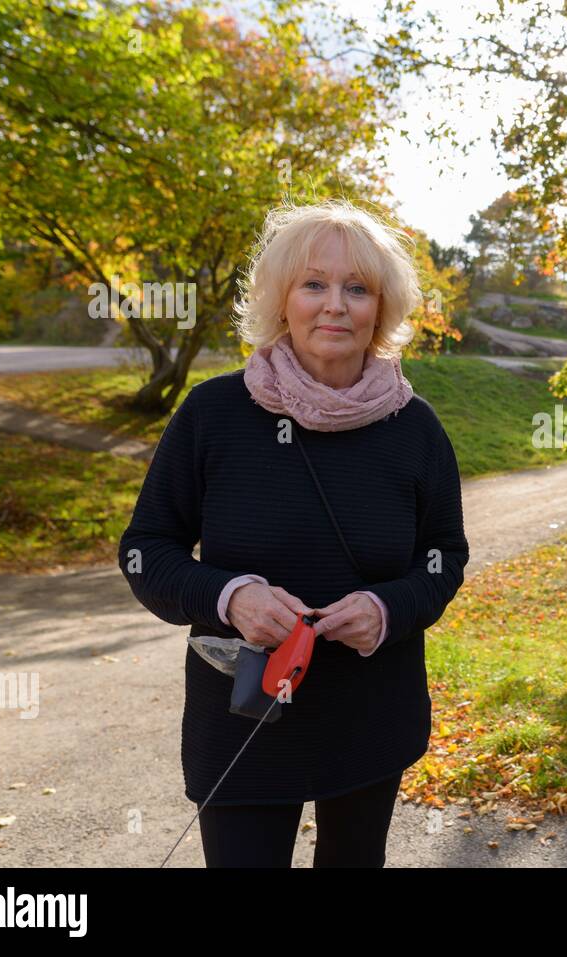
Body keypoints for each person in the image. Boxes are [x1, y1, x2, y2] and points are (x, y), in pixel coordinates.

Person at [118, 199, 469, 867]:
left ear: (380, 308)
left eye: (356, 288)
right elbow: (145, 549)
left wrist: (387, 607)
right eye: (314, 283)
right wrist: (229, 598)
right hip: (244, 715)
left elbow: (443, 559)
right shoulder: (213, 414)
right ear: (283, 300)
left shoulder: (415, 429)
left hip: (370, 717)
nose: (334, 305)